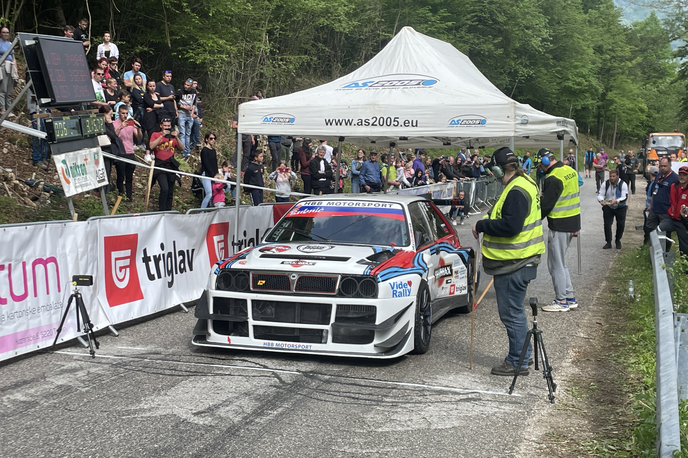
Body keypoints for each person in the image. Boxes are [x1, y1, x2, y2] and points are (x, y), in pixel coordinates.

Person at [472, 147, 545, 376]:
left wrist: (482, 226)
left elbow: (511, 226)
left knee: (511, 313)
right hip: (519, 260)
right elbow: (501, 214)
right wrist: (485, 220)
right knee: (514, 312)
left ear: (498, 168)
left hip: (514, 262)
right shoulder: (525, 183)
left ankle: (517, 361)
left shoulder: (515, 190)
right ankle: (521, 357)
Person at [538, 151, 581, 312]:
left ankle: (561, 300)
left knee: (555, 264)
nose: (540, 169)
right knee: (561, 262)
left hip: (559, 224)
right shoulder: (570, 171)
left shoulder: (553, 178)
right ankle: (569, 297)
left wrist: (534, 221)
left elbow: (547, 205)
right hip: (572, 222)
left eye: (540, 165)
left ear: (544, 161)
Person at [149, 118, 183, 211]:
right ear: (161, 126)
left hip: (170, 166)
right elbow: (151, 146)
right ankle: (162, 210)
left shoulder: (172, 137)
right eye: (165, 126)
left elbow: (182, 148)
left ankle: (168, 210)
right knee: (165, 189)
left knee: (170, 191)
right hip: (160, 165)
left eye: (169, 126)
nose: (167, 128)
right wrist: (161, 136)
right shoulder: (155, 134)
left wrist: (177, 137)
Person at [644, 157, 678, 245]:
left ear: (670, 165)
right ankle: (649, 247)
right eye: (661, 166)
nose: (663, 168)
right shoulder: (658, 176)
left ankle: (664, 252)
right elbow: (655, 192)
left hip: (665, 211)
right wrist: (651, 205)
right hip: (654, 209)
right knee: (649, 228)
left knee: (665, 232)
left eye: (665, 166)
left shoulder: (674, 178)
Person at [112, 105, 142, 201]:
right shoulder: (114, 124)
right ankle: (121, 196)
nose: (125, 115)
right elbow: (113, 137)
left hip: (130, 152)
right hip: (120, 152)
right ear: (119, 113)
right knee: (120, 176)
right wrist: (120, 127)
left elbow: (139, 137)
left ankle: (129, 197)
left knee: (129, 176)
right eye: (123, 113)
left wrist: (138, 128)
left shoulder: (131, 124)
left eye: (126, 113)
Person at [659, 166, 688, 258]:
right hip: (671, 218)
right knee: (659, 229)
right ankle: (662, 255)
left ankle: (685, 268)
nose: (682, 177)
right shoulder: (673, 186)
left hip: (683, 221)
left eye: (684, 175)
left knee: (684, 247)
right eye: (680, 175)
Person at [598, 169, 629, 249]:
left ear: (618, 176)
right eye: (610, 176)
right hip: (608, 206)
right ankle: (608, 242)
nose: (611, 178)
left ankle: (618, 240)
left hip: (620, 207)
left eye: (613, 176)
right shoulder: (606, 183)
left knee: (620, 224)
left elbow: (624, 197)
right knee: (607, 224)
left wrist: (616, 201)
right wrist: (601, 200)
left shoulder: (623, 184)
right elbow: (600, 194)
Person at [176, 78, 197, 158]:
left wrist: (192, 112)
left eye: (188, 85)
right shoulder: (180, 92)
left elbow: (194, 102)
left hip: (189, 115)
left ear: (191, 86)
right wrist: (184, 107)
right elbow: (175, 102)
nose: (186, 86)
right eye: (185, 84)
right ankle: (183, 150)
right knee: (182, 133)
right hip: (182, 113)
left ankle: (188, 150)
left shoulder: (193, 92)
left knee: (188, 133)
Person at [0, 27, 17, 117]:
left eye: (7, 32)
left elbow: (13, 57)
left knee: (10, 89)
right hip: (2, 66)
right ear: (0, 33)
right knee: (3, 88)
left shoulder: (10, 43)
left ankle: (9, 109)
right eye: (4, 32)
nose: (6, 34)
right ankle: (3, 108)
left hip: (10, 66)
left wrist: (15, 68)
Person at [199, 132, 219, 209]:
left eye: (214, 138)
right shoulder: (204, 150)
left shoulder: (213, 151)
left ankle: (211, 209)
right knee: (209, 194)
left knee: (214, 193)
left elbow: (215, 163)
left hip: (213, 174)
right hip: (206, 174)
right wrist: (212, 174)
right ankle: (202, 210)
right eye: (211, 138)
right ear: (206, 139)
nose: (213, 140)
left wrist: (217, 174)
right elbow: (206, 163)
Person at [143, 80, 164, 144]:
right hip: (150, 118)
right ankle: (149, 150)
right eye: (150, 86)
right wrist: (157, 106)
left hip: (158, 117)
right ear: (147, 86)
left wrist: (153, 108)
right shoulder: (146, 95)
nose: (152, 88)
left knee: (158, 134)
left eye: (154, 86)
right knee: (151, 134)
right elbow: (152, 104)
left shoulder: (157, 95)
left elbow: (161, 105)